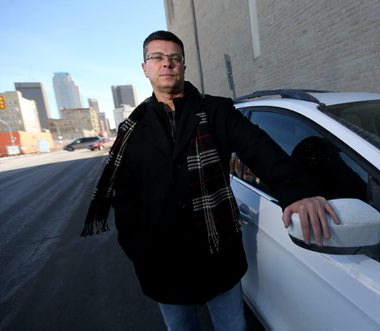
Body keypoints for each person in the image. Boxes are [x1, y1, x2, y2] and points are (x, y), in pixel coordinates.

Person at [82, 30, 338, 331]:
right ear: (145, 68)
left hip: (218, 256)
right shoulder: (132, 129)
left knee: (232, 326)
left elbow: (259, 147)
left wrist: (297, 192)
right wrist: (138, 249)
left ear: (183, 66)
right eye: (158, 58)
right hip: (163, 263)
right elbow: (124, 198)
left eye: (175, 58)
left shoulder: (216, 111)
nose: (167, 64)